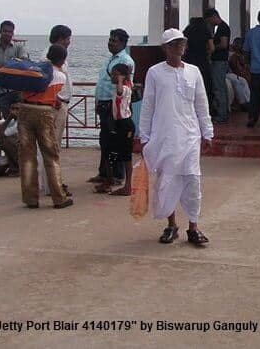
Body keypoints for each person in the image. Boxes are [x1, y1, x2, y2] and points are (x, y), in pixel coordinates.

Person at [139, 28, 214, 245]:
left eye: (181, 43)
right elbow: (148, 106)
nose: (178, 47)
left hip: (190, 136)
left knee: (192, 179)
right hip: (165, 136)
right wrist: (144, 137)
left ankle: (194, 226)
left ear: (185, 46)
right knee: (167, 180)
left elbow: (202, 104)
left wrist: (207, 131)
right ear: (165, 48)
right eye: (173, 44)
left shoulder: (193, 72)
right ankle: (171, 225)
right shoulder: (155, 72)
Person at [18, 44, 72, 209]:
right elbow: (53, 94)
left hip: (25, 111)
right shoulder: (60, 76)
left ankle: (30, 199)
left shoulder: (33, 70)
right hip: (44, 113)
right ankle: (59, 198)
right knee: (50, 155)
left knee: (27, 156)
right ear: (62, 60)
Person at [89, 29, 135, 186]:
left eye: (114, 41)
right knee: (105, 141)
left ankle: (116, 175)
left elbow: (122, 85)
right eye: (110, 40)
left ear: (122, 43)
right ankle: (104, 173)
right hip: (104, 103)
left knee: (114, 143)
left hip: (114, 106)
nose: (110, 43)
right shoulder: (110, 60)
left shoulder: (125, 61)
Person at [0, 20, 29, 172]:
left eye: (10, 31)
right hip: (3, 95)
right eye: (5, 31)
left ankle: (23, 162)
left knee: (22, 129)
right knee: (6, 128)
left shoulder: (18, 47)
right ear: (0, 32)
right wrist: (8, 67)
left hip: (18, 94)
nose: (8, 34)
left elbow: (23, 64)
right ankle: (13, 163)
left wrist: (1, 68)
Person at [38, 25, 73, 196]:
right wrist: (55, 99)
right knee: (50, 147)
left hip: (60, 104)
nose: (69, 42)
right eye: (67, 38)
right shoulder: (47, 57)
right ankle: (51, 185)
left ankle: (52, 183)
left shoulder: (59, 55)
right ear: (60, 38)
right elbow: (46, 81)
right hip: (54, 106)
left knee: (53, 147)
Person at [98, 63, 136, 196]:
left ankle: (128, 186)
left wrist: (121, 79)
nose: (112, 77)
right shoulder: (122, 87)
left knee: (126, 156)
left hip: (125, 124)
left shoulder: (124, 89)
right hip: (117, 124)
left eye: (115, 74)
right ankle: (109, 180)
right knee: (108, 150)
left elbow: (120, 92)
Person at [206, 8, 231, 124]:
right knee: (221, 87)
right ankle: (224, 111)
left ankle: (221, 115)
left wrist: (212, 48)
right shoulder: (220, 28)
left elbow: (224, 44)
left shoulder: (223, 28)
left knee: (218, 88)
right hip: (220, 61)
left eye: (209, 20)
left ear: (213, 17)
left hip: (220, 61)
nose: (209, 23)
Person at [183, 16, 214, 100]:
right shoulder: (206, 30)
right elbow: (212, 48)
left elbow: (184, 47)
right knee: (205, 85)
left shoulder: (187, 31)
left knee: (190, 85)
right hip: (203, 61)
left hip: (189, 60)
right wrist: (206, 53)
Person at [227, 38, 251, 111]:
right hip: (226, 72)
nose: (237, 45)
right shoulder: (229, 52)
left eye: (239, 44)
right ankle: (243, 103)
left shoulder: (239, 53)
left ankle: (248, 101)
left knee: (243, 81)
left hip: (232, 72)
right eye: (236, 43)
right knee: (236, 81)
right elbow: (233, 65)